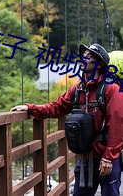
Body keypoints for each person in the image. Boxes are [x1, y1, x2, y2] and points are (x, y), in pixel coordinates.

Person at [11, 43, 123, 196]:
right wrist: (30, 108)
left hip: (106, 157)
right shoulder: (78, 90)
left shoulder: (111, 89)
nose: (84, 59)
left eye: (89, 56)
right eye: (83, 56)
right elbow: (57, 107)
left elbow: (117, 124)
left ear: (100, 63)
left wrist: (109, 158)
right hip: (86, 157)